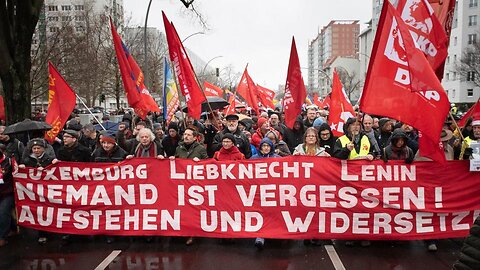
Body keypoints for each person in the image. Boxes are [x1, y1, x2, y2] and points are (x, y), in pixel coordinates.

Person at [172, 126, 208, 245]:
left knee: (193, 210)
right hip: (181, 184)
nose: (185, 137)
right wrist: (171, 160)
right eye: (185, 134)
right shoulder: (179, 148)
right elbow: (176, 163)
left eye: (188, 135)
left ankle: (192, 233)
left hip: (195, 184)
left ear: (194, 137)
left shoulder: (201, 149)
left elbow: (208, 164)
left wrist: (201, 162)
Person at [19, 138, 54, 244]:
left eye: (38, 148)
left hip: (48, 190)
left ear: (43, 149)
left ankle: (50, 231)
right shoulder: (27, 160)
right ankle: (42, 234)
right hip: (34, 192)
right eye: (34, 148)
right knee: (39, 211)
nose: (36, 150)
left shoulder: (50, 159)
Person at [250, 137, 280, 250]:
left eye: (268, 146)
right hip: (258, 192)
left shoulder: (277, 159)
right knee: (260, 214)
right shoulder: (253, 159)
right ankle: (260, 236)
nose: (266, 148)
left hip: (273, 191)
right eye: (264, 146)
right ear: (260, 147)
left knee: (272, 213)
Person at [0, 145, 15, 247]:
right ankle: (13, 227)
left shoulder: (9, 162)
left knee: (3, 212)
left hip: (7, 193)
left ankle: (2, 237)